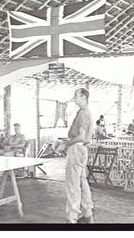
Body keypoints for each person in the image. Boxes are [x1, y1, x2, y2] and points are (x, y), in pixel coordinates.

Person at [56, 88, 94, 224]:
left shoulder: (83, 114)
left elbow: (81, 136)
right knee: (82, 183)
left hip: (76, 150)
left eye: (76, 96)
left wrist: (65, 145)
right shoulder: (86, 112)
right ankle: (87, 213)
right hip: (82, 150)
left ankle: (72, 218)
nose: (74, 98)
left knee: (73, 185)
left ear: (83, 97)